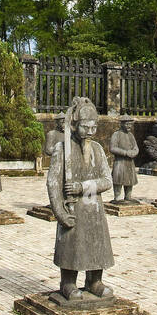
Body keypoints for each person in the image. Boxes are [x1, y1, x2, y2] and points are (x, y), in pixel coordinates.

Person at [47, 96, 114, 301]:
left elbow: (107, 180)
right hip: (72, 209)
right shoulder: (62, 149)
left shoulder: (97, 149)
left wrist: (82, 187)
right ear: (75, 125)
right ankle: (68, 283)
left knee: (97, 245)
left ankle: (94, 281)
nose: (91, 131)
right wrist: (59, 212)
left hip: (94, 208)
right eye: (86, 127)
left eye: (94, 127)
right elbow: (52, 183)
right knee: (72, 247)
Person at [109, 114, 139, 203]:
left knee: (130, 179)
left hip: (130, 161)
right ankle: (117, 197)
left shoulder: (131, 135)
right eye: (127, 124)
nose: (129, 126)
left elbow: (136, 147)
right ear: (121, 124)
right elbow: (112, 148)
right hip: (120, 161)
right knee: (118, 178)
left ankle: (128, 196)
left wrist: (134, 152)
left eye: (130, 124)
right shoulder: (116, 134)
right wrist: (125, 153)